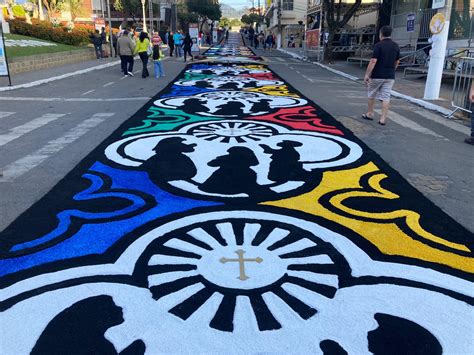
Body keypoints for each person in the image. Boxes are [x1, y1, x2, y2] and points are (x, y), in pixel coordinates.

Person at [362, 25, 400, 126]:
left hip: (377, 75)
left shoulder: (378, 45)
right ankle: (383, 119)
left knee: (371, 94)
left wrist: (367, 74)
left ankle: (370, 113)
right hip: (390, 76)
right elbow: (397, 61)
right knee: (386, 97)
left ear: (381, 34)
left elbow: (373, 60)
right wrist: (392, 70)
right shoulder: (396, 46)